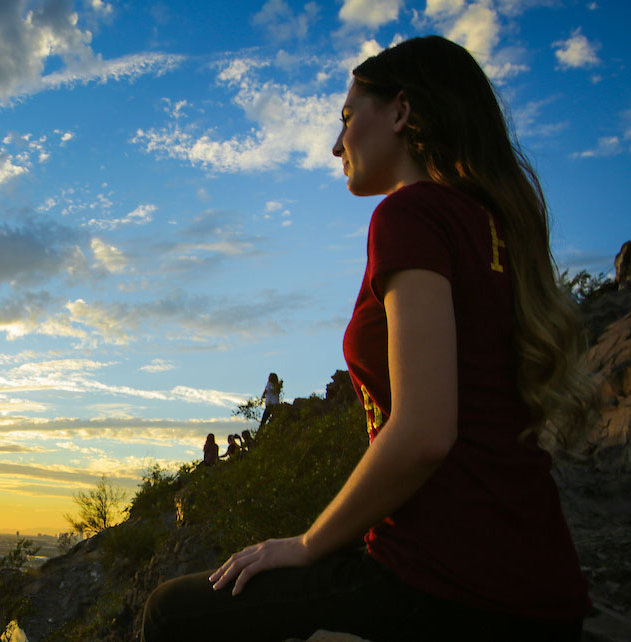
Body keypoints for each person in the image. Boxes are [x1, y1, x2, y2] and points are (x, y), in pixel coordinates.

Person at [141, 35, 593, 642]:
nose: (336, 145)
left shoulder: (411, 214)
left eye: (348, 117)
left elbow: (424, 431)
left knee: (173, 614)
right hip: (539, 582)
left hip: (448, 580)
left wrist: (307, 544)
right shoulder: (493, 225)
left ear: (402, 113)